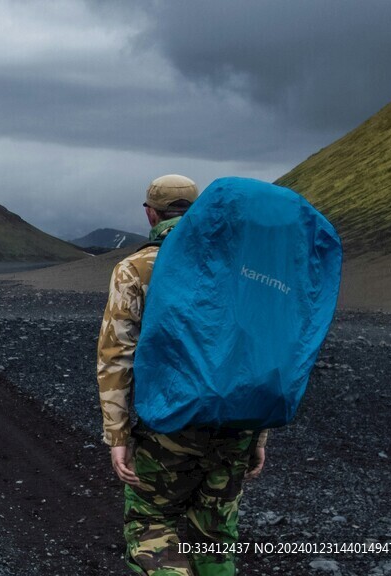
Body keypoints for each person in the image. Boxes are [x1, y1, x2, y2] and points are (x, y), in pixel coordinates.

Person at [96, 175, 268, 576]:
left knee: (152, 526)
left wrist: (117, 436)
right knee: (215, 536)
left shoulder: (135, 269)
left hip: (169, 424)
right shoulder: (242, 267)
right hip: (236, 422)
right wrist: (259, 433)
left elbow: (116, 355)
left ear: (150, 214)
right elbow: (257, 351)